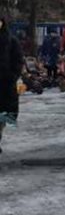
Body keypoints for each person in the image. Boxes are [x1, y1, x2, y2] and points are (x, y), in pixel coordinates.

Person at [0, 17, 25, 153]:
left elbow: (18, 59)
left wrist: (13, 76)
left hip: (5, 84)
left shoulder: (11, 40)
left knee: (3, 114)